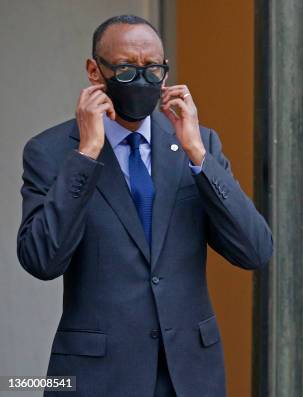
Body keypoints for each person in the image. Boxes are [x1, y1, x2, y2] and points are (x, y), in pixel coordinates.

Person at [16, 15, 272, 397]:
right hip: (96, 379)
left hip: (188, 376)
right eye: (125, 69)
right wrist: (86, 154)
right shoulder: (52, 152)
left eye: (153, 69)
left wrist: (198, 156)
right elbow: (41, 259)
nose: (141, 80)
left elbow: (254, 249)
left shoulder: (198, 143)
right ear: (94, 71)